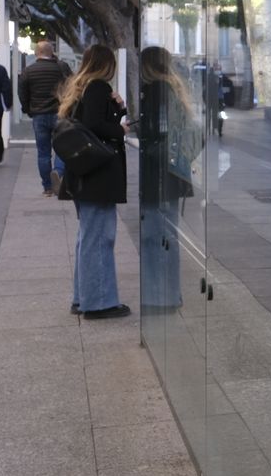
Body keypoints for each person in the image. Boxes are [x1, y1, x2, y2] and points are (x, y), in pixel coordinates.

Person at [57, 44, 130, 319]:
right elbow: (95, 125)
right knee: (99, 237)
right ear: (106, 65)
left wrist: (118, 108)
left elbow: (90, 120)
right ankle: (99, 303)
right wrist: (119, 128)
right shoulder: (97, 85)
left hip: (84, 172)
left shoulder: (80, 87)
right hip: (99, 172)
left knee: (87, 237)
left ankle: (83, 298)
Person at [137, 45, 198, 311]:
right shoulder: (172, 89)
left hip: (158, 175)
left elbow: (161, 133)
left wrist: (145, 141)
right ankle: (170, 294)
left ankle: (159, 296)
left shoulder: (156, 91)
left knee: (155, 237)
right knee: (166, 236)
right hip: (170, 174)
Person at [18, 40, 73, 196]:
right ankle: (58, 172)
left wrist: (28, 110)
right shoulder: (61, 68)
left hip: (39, 115)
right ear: (52, 52)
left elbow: (22, 94)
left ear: (37, 53)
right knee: (62, 148)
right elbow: (73, 86)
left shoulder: (28, 71)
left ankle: (47, 187)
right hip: (60, 113)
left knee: (43, 152)